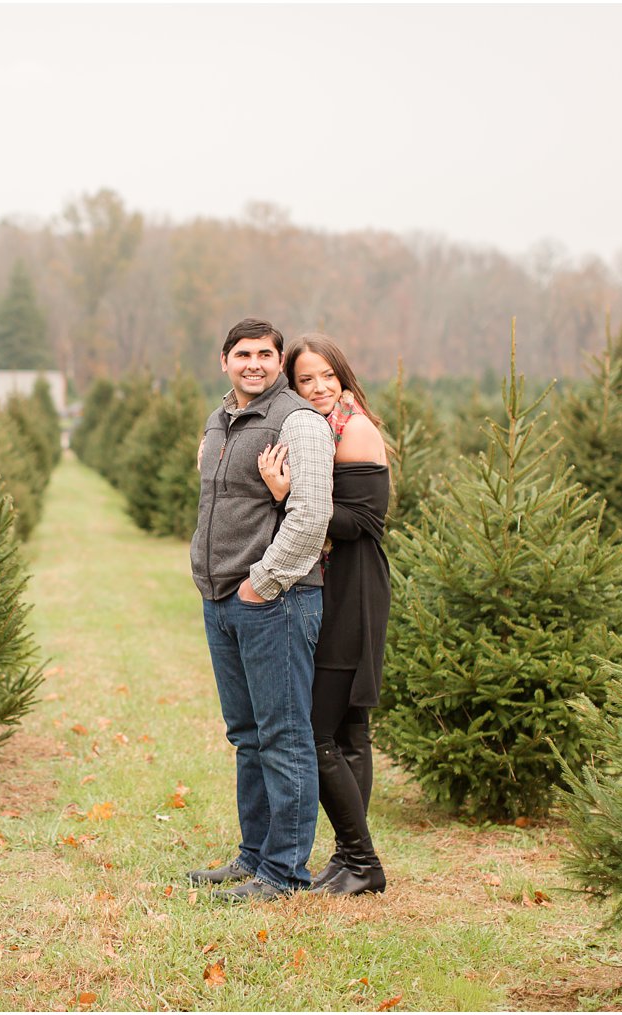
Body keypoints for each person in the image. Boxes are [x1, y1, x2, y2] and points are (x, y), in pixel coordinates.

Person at [187, 318, 335, 901]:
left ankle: (284, 872)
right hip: (219, 598)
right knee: (247, 734)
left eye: (266, 354)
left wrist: (264, 581)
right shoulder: (219, 419)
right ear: (224, 360)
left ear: (279, 361)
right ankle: (253, 856)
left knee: (283, 735)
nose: (254, 363)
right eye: (242, 354)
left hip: (275, 600)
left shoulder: (297, 421)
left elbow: (311, 512)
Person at [257, 332, 391, 896]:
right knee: (348, 730)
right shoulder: (316, 428)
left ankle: (362, 861)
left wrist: (290, 496)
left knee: (315, 731)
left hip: (351, 590)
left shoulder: (355, 429)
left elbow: (363, 522)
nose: (316, 388)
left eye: (325, 377)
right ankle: (348, 858)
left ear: (343, 376)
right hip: (331, 584)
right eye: (304, 379)